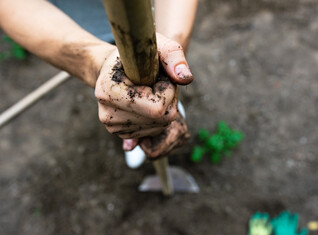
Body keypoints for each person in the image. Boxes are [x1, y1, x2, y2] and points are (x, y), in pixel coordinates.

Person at [0, 0, 198, 162]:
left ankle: (152, 108)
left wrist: (169, 51)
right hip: (68, 24)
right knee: (112, 85)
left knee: (147, 92)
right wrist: (93, 62)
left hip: (147, 13)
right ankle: (126, 110)